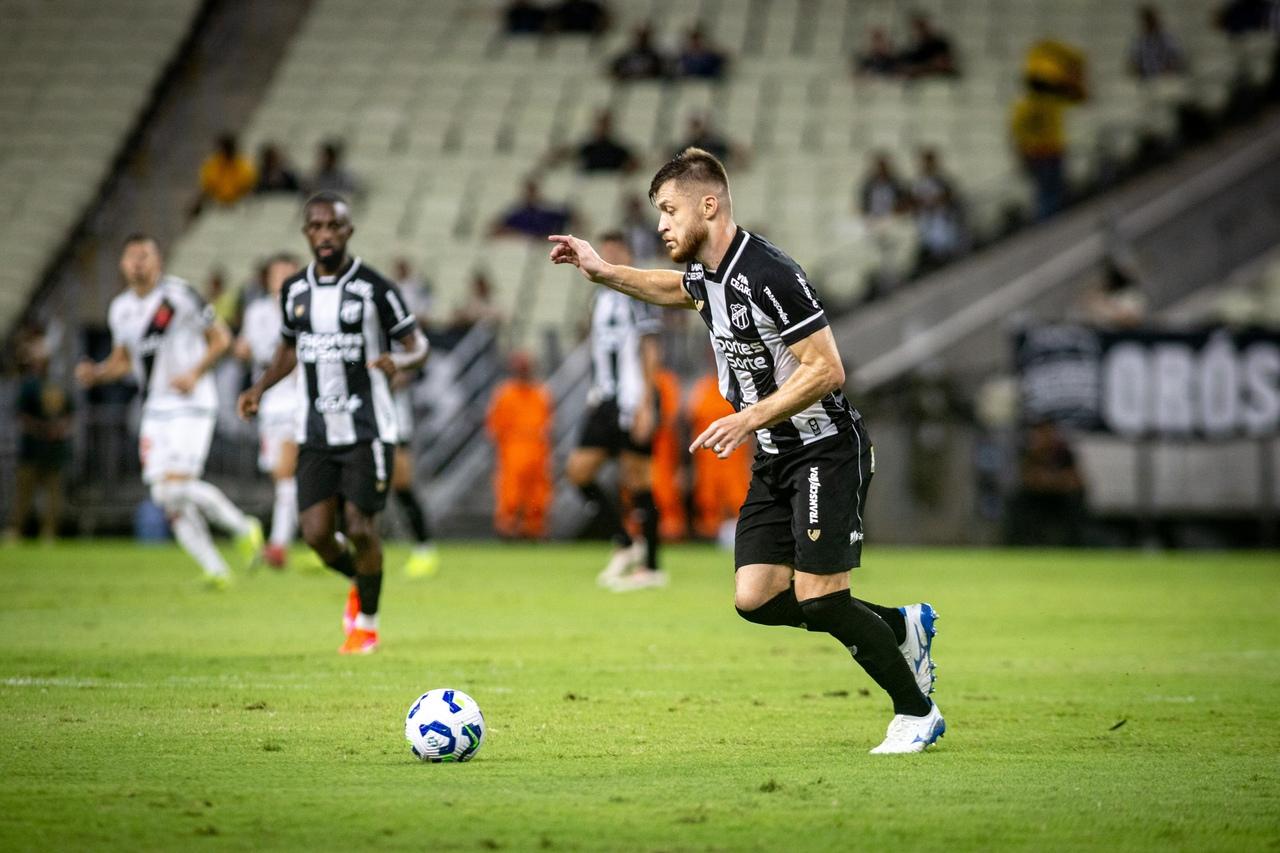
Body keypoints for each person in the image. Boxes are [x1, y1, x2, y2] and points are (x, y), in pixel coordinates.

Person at [548, 148, 943, 752]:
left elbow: (827, 368)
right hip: (774, 456)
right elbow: (668, 286)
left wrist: (750, 416)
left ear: (709, 206)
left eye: (669, 210)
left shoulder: (769, 273)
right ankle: (898, 625)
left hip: (824, 450)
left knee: (820, 597)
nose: (662, 225)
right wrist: (602, 270)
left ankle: (917, 713)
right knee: (755, 599)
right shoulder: (708, 276)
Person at [236, 193, 429, 654]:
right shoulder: (295, 291)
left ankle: (367, 623)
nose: (324, 234)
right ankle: (362, 581)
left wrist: (400, 360)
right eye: (316, 226)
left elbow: (418, 344)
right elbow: (288, 349)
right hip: (316, 430)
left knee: (362, 528)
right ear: (307, 233)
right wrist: (259, 389)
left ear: (348, 232)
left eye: (333, 226)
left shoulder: (374, 287)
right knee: (318, 535)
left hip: (367, 428)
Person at [77, 234, 263, 586]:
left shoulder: (179, 296)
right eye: (131, 256)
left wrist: (194, 372)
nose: (138, 263)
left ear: (158, 260)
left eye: (145, 255)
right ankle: (215, 569)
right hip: (155, 407)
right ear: (122, 264)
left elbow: (221, 338)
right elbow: (123, 362)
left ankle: (243, 526)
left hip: (192, 404)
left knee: (177, 487)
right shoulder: (120, 309)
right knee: (165, 496)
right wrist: (97, 373)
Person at [563, 232, 666, 591]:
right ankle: (625, 542)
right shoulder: (599, 298)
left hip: (633, 399)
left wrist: (647, 404)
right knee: (578, 472)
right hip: (604, 400)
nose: (606, 259)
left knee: (639, 480)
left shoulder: (637, 294)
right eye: (604, 252)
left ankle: (652, 565)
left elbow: (650, 349)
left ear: (626, 254)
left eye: (615, 253)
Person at [234, 253, 303, 568]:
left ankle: (279, 543)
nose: (284, 278)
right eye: (278, 273)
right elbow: (246, 350)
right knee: (283, 476)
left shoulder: (307, 309)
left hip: (301, 398)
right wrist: (241, 350)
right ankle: (327, 535)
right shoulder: (258, 312)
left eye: (289, 272)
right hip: (270, 400)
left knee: (287, 472)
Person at [5, 334, 72, 542]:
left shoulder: (58, 385)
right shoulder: (29, 385)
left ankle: (49, 531)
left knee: (53, 495)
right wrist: (42, 429)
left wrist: (60, 429)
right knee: (24, 492)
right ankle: (16, 529)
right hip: (32, 448)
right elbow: (21, 415)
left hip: (54, 449)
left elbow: (70, 413)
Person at [485, 352, 554, 539]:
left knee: (537, 492)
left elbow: (548, 423)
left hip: (537, 449)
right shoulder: (505, 394)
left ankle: (532, 529)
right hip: (513, 448)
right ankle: (507, 528)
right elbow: (495, 426)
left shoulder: (541, 393)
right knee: (510, 492)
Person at [687, 369, 751, 542]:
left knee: (739, 497)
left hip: (734, 459)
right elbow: (692, 422)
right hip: (708, 460)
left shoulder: (742, 387)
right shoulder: (703, 389)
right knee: (708, 501)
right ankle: (708, 537)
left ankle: (743, 535)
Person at [490, 178, 575, 239]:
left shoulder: (549, 211)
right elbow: (496, 229)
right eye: (528, 192)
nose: (530, 195)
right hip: (522, 246)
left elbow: (569, 219)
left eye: (533, 192)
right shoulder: (517, 214)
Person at [196, 134, 257, 212]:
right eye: (225, 149)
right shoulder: (212, 165)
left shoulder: (244, 165)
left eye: (229, 149)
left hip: (239, 205)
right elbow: (206, 189)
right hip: (217, 205)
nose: (227, 152)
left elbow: (249, 189)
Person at [1130, 5, 1186, 79]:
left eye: (1151, 20)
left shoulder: (1167, 38)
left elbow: (1176, 58)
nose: (1149, 23)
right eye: (1146, 21)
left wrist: (1168, 70)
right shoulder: (1140, 41)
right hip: (1146, 79)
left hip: (1166, 78)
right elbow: (1134, 61)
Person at [897, 12, 957, 78]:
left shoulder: (940, 44)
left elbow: (944, 65)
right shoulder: (913, 49)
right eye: (916, 28)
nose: (919, 31)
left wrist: (921, 68)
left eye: (922, 27)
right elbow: (904, 68)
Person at [859, 153, 910, 219]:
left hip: (891, 217)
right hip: (873, 217)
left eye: (883, 167)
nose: (881, 170)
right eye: (879, 167)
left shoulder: (895, 184)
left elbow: (903, 200)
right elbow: (864, 203)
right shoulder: (869, 185)